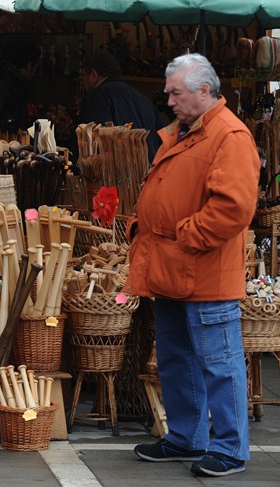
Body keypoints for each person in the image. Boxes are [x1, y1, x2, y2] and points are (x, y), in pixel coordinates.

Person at [126, 53, 259, 477]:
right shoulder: (187, 132)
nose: (168, 100)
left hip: (204, 271)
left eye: (175, 92)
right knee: (176, 359)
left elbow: (233, 208)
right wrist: (140, 226)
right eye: (168, 92)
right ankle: (186, 437)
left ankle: (230, 449)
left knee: (219, 363)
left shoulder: (229, 135)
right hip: (171, 268)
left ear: (204, 91)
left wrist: (185, 238)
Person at [77, 51, 165, 163]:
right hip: (149, 173)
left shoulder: (97, 97)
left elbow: (93, 144)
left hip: (118, 174)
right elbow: (162, 141)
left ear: (93, 75)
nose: (83, 81)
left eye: (84, 76)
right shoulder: (143, 99)